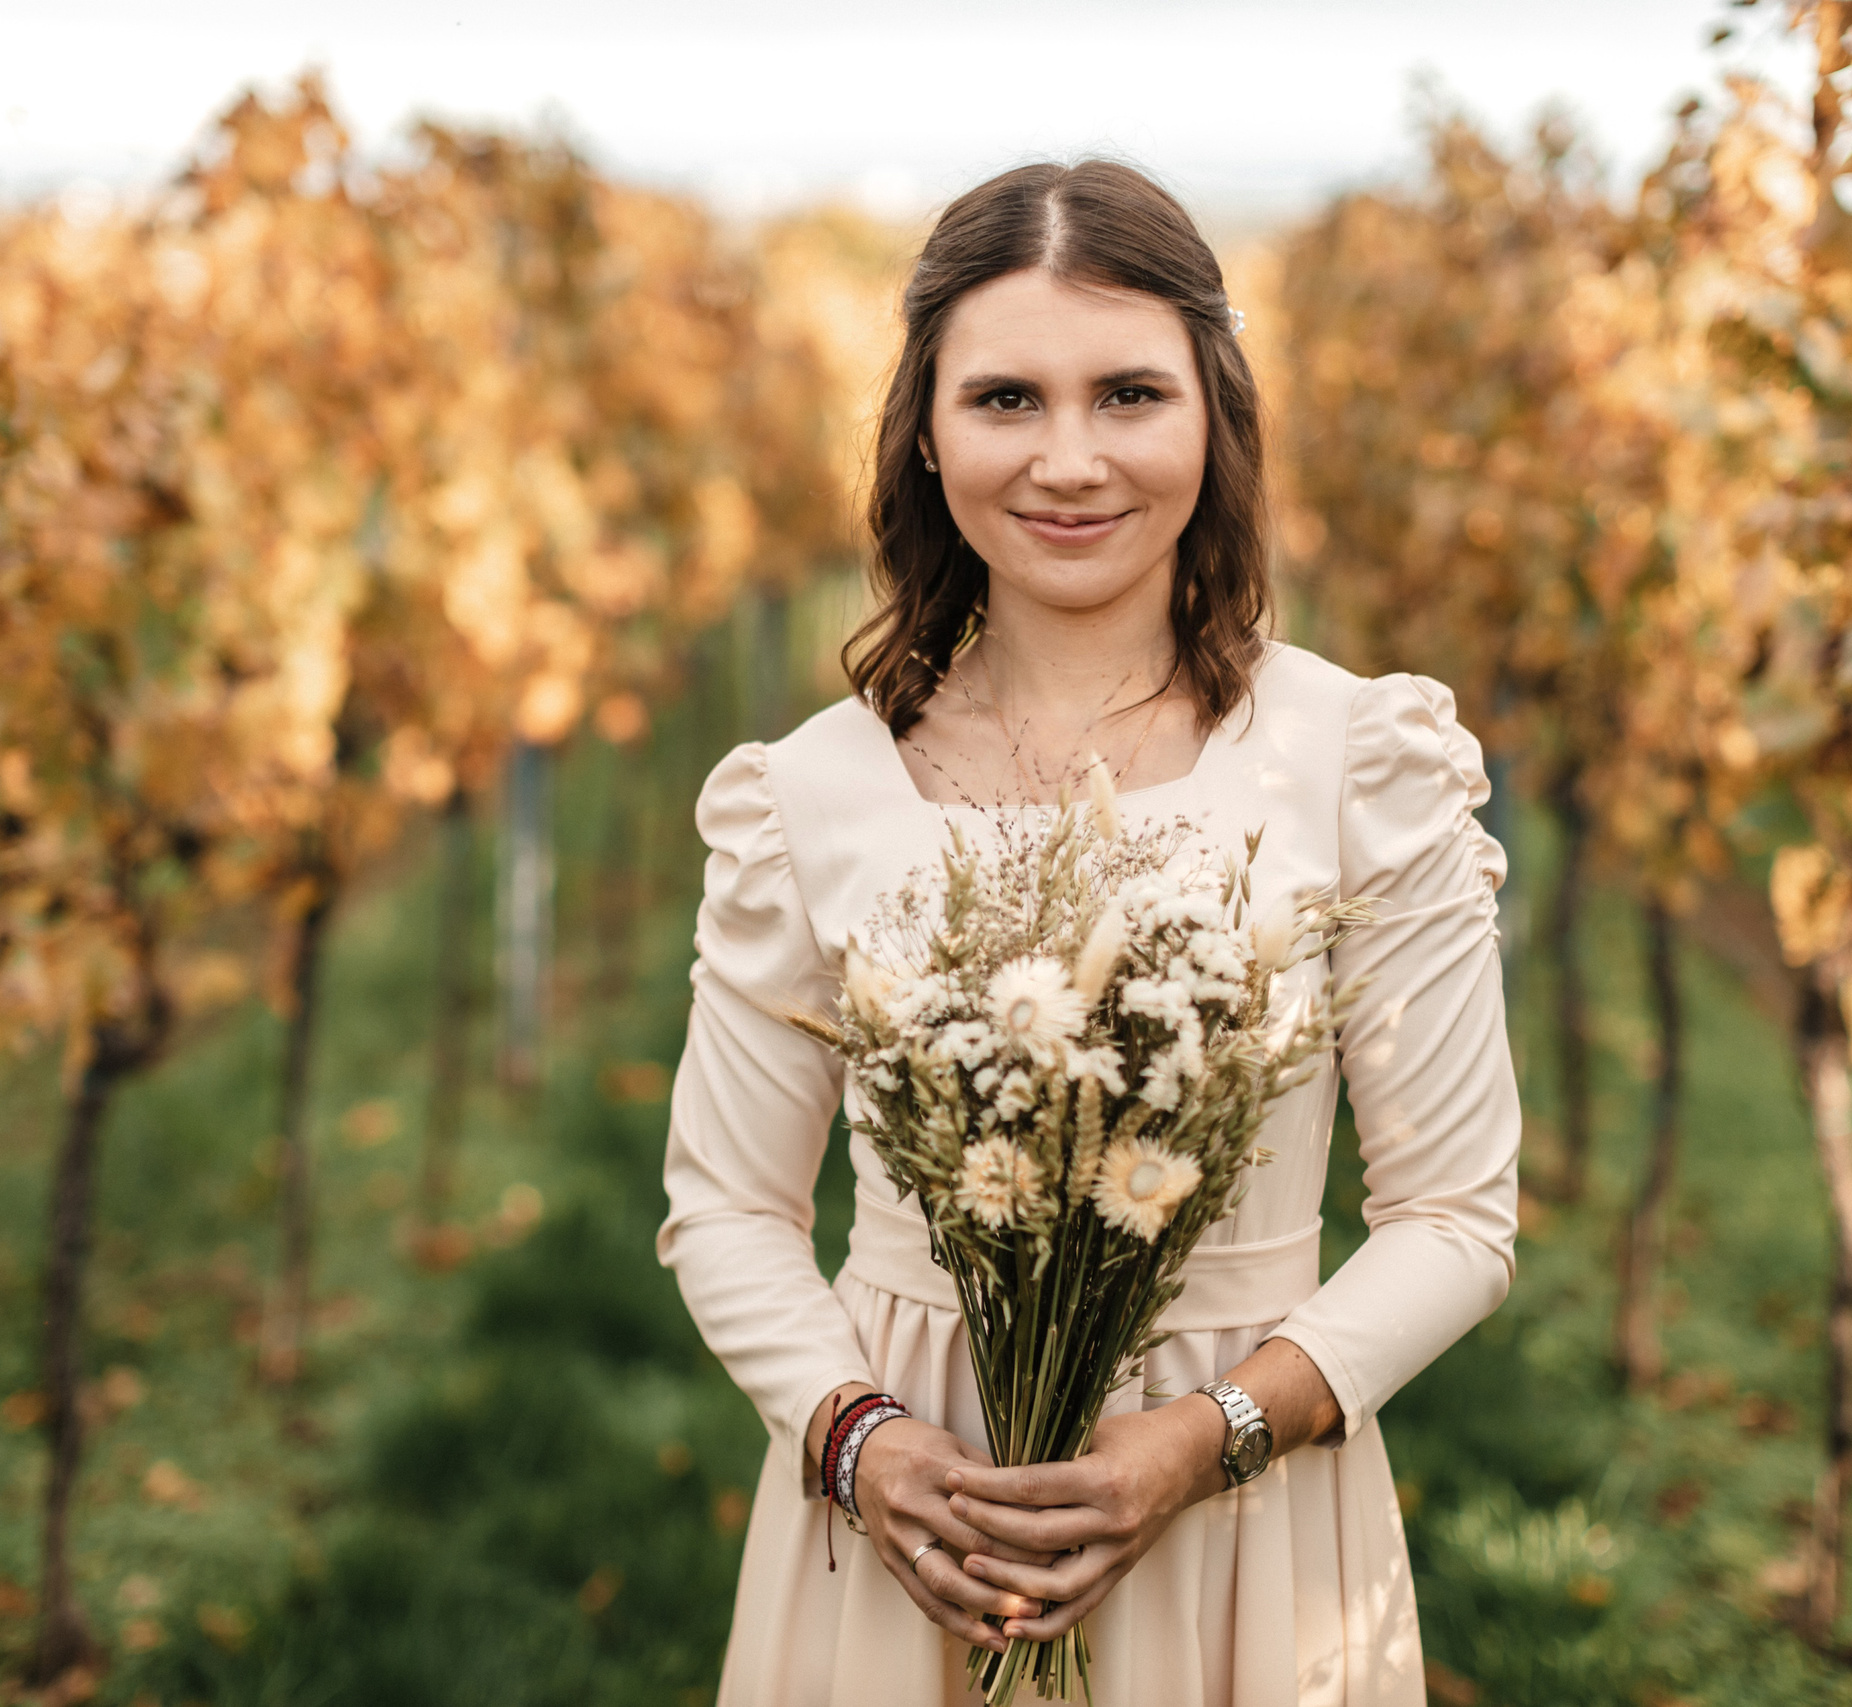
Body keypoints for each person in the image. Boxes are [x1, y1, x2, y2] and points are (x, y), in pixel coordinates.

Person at [656, 158, 1520, 1706]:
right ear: (925, 430)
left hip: (1251, 1514)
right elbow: (725, 1206)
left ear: (1214, 418)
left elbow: (1456, 1218)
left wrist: (1204, 1444)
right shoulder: (807, 797)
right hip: (914, 1524)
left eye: (1129, 393)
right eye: (1005, 400)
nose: (1069, 459)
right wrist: (863, 1441)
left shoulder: (1356, 762)